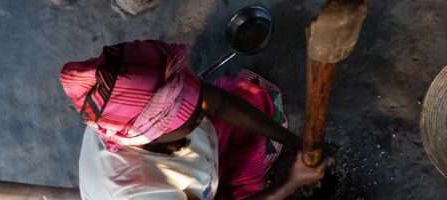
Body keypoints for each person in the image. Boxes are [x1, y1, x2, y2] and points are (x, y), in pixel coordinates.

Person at [59, 40, 327, 200]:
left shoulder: (124, 116)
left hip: (198, 173)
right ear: (152, 135)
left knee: (250, 97)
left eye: (195, 100)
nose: (202, 111)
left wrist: (293, 142)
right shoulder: (139, 189)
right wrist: (290, 183)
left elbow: (217, 102)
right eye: (189, 114)